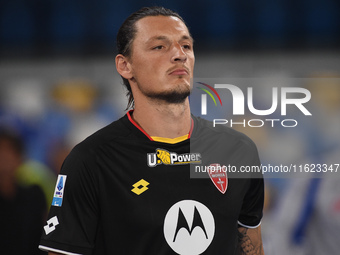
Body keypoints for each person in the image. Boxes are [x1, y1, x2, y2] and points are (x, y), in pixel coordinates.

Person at [39, 6, 264, 255]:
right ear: (125, 66)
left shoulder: (238, 151)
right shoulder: (91, 161)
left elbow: (251, 246)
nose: (179, 55)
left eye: (186, 46)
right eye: (159, 47)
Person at [0, 128, 47, 255]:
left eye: (10, 151)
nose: (4, 157)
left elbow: (44, 239)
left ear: (20, 158)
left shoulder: (34, 195)